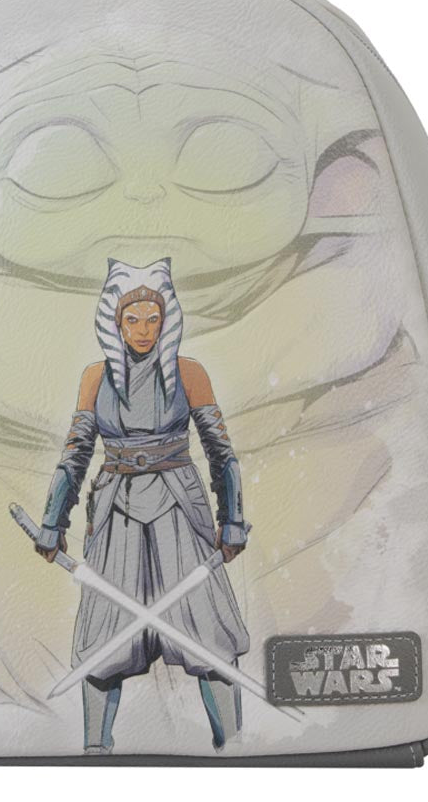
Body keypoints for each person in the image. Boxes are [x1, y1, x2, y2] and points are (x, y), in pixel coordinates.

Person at [34, 258, 251, 754]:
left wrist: (233, 520)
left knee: (206, 631)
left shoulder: (189, 372)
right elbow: (76, 453)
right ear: (115, 321)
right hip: (118, 513)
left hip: (180, 509)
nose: (143, 330)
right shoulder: (96, 377)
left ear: (166, 320)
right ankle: (95, 753)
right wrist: (52, 521)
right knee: (104, 637)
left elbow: (221, 451)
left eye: (153, 319)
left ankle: (237, 750)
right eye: (132, 319)